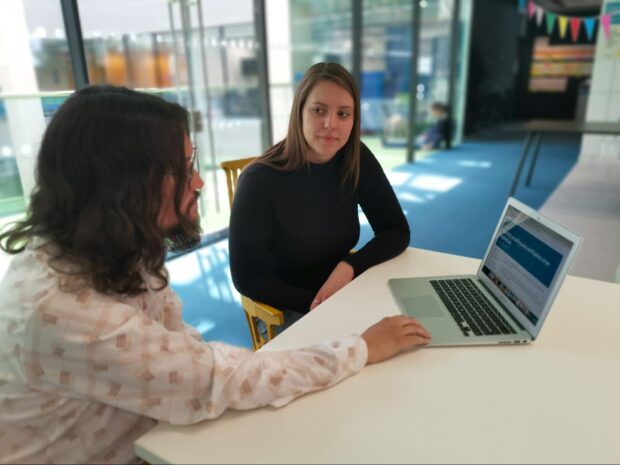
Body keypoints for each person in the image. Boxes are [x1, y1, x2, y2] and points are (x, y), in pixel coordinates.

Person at [0, 85, 431, 464]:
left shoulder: (112, 250)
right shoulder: (67, 311)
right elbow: (214, 379)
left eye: (344, 113)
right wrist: (360, 348)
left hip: (151, 431)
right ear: (124, 186)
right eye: (185, 168)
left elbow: (184, 348)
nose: (201, 183)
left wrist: (349, 272)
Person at [229, 62, 410, 329]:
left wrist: (350, 265)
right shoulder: (258, 182)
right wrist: (320, 304)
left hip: (343, 289)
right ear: (299, 112)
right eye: (319, 110)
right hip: (287, 306)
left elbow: (396, 231)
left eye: (343, 114)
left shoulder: (355, 157)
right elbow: (249, 279)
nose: (330, 124)